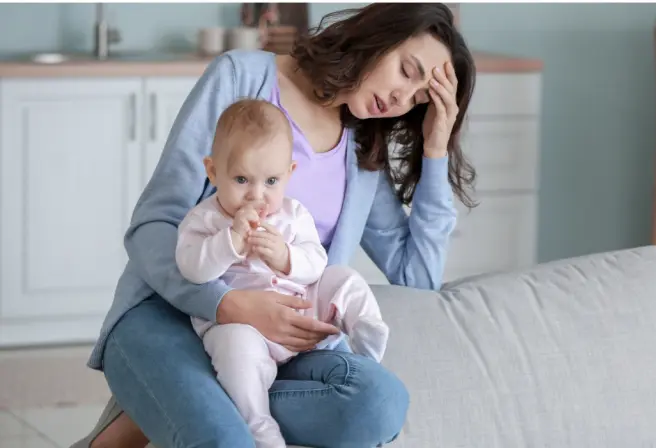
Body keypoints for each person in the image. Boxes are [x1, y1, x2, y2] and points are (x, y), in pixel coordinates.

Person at [73, 3, 476, 447]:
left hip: (281, 346)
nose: (402, 98)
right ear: (375, 36)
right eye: (406, 70)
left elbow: (417, 278)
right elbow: (152, 225)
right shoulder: (240, 78)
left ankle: (182, 405)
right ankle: (191, 406)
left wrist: (436, 149)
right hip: (169, 313)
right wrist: (228, 305)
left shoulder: (363, 149)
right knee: (230, 441)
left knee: (377, 403)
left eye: (419, 98)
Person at [177, 98, 390, 447]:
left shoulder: (293, 214)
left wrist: (286, 257)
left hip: (299, 308)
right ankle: (259, 426)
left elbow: (315, 263)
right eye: (242, 179)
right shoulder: (205, 220)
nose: (257, 196)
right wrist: (229, 242)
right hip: (243, 328)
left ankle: (366, 333)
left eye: (271, 181)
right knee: (234, 349)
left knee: (342, 278)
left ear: (290, 174)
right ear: (213, 172)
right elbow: (192, 269)